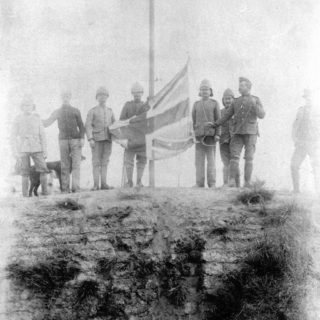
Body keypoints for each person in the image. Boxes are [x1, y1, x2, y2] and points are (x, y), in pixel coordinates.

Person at [213, 77, 265, 188]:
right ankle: (231, 181)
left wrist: (254, 104)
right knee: (234, 157)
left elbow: (262, 115)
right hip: (237, 133)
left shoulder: (256, 99)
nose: (239, 88)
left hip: (251, 133)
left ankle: (247, 182)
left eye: (242, 86)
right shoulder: (236, 101)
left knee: (249, 157)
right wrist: (215, 124)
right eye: (239, 86)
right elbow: (226, 116)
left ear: (248, 87)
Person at [43, 90, 85, 193]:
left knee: (76, 165)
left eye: (67, 96)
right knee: (65, 165)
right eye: (63, 96)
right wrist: (36, 118)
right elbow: (47, 123)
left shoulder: (76, 110)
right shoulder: (57, 111)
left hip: (75, 140)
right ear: (61, 98)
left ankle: (76, 188)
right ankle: (65, 189)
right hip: (63, 141)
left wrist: (82, 138)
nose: (65, 98)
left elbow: (81, 126)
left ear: (70, 97)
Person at [11, 96, 49, 197]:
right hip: (23, 148)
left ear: (33, 107)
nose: (27, 107)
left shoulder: (37, 118)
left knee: (43, 169)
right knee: (24, 172)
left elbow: (43, 135)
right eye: (25, 105)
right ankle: (25, 196)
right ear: (22, 107)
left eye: (29, 105)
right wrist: (14, 152)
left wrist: (45, 150)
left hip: (37, 147)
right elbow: (13, 137)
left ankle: (45, 194)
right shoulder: (17, 119)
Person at [192, 79, 221, 188]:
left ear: (210, 91)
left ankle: (212, 183)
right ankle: (199, 183)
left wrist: (218, 134)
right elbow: (193, 121)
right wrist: (193, 134)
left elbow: (219, 120)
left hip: (211, 136)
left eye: (207, 89)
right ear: (200, 91)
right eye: (202, 89)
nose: (204, 92)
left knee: (211, 160)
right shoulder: (196, 104)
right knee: (199, 161)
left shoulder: (215, 103)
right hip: (199, 136)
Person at [85, 86, 115, 191]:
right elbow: (88, 126)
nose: (102, 98)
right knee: (96, 162)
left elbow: (114, 126)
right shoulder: (92, 111)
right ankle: (95, 185)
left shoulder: (110, 111)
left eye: (105, 95)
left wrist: (119, 138)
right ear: (96, 98)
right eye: (100, 95)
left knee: (105, 162)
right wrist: (90, 139)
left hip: (108, 140)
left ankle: (104, 184)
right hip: (96, 140)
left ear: (107, 97)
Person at [120, 82, 149, 187]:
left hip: (142, 137)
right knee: (129, 160)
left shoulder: (145, 106)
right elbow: (121, 121)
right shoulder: (127, 105)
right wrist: (123, 139)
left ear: (142, 93)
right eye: (135, 92)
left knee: (142, 160)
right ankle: (129, 181)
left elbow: (150, 120)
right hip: (130, 137)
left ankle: (139, 181)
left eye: (139, 92)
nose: (137, 94)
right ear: (132, 93)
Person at [291, 89, 320, 194]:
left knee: (316, 167)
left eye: (310, 96)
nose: (308, 99)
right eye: (306, 97)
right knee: (294, 165)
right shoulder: (300, 110)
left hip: (314, 144)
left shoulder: (318, 110)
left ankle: (318, 192)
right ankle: (296, 190)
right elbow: (295, 126)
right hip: (301, 143)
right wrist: (295, 139)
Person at [219, 89, 239, 187]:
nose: (228, 101)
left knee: (235, 161)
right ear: (223, 100)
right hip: (223, 140)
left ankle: (237, 184)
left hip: (235, 141)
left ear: (233, 100)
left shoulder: (237, 112)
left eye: (230, 99)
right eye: (226, 99)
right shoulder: (220, 112)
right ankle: (225, 183)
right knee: (225, 162)